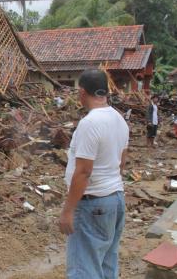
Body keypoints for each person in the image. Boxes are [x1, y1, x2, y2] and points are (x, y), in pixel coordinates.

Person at [58, 69, 128, 279]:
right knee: (107, 264)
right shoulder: (119, 120)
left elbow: (84, 172)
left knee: (84, 269)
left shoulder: (90, 123)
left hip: (92, 204)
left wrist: (68, 211)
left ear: (81, 92)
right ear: (105, 92)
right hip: (115, 199)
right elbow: (121, 162)